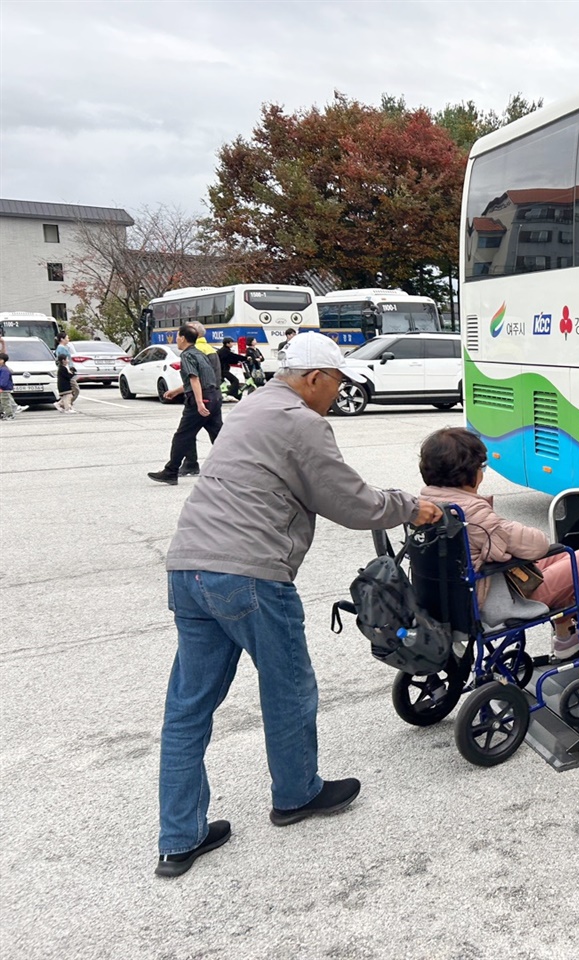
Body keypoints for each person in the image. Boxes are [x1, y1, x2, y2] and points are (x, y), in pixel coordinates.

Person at [155, 331, 442, 878]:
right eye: (337, 383)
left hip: (188, 567)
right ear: (314, 378)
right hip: (250, 574)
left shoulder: (248, 409)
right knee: (288, 687)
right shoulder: (301, 421)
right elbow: (350, 502)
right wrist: (413, 507)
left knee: (188, 707)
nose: (337, 395)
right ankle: (295, 795)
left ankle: (178, 839)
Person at [418, 427, 579, 661]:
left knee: (560, 559)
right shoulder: (472, 514)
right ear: (468, 475)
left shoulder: (427, 505)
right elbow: (536, 544)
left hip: (460, 596)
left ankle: (566, 636)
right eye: (480, 467)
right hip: (492, 604)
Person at [148, 325, 221, 485]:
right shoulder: (201, 353)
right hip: (214, 396)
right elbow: (198, 380)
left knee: (182, 436)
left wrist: (200, 403)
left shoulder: (187, 355)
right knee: (220, 436)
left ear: (182, 338)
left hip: (201, 400)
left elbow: (194, 379)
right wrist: (176, 391)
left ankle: (171, 471)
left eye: (177, 337)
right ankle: (237, 470)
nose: (176, 340)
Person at [54, 333, 80, 407]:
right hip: (67, 370)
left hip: (69, 369)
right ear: (62, 339)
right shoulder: (61, 348)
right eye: (67, 338)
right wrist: (69, 370)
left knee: (72, 390)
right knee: (75, 389)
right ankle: (64, 404)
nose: (68, 339)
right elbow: (63, 361)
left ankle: (65, 404)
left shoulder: (64, 347)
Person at [0, 353, 17, 421]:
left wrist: (1, 386)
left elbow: (4, 380)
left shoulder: (4, 370)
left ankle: (9, 414)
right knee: (2, 401)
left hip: (4, 389)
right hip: (2, 388)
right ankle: (3, 413)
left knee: (5, 402)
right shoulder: (2, 369)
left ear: (2, 360)